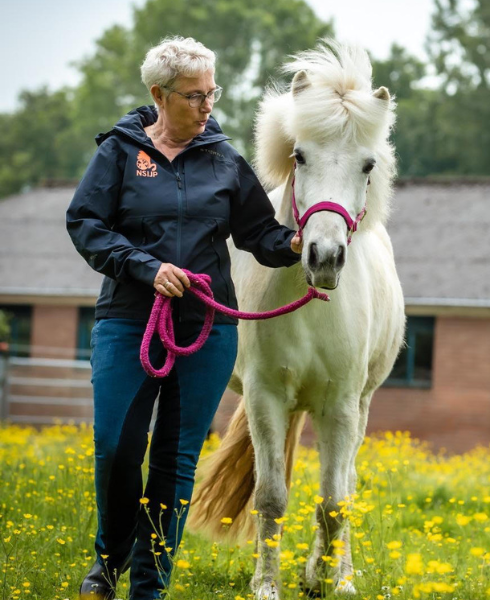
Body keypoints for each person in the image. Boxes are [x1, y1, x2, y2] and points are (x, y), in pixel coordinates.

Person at [66, 36, 302, 600]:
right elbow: (87, 224)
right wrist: (145, 268)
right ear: (159, 94)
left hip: (205, 332)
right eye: (194, 96)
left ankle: (150, 587)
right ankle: (110, 559)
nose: (207, 106)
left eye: (212, 93)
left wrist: (298, 242)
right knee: (117, 446)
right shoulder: (121, 152)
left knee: (174, 461)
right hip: (128, 322)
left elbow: (258, 234)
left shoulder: (224, 158)